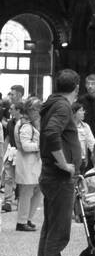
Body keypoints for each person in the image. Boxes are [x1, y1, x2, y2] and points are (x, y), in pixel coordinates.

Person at [36, 70, 83, 256]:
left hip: (50, 176)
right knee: (58, 233)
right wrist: (64, 164)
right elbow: (52, 132)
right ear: (77, 86)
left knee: (49, 231)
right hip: (59, 178)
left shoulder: (52, 103)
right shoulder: (63, 106)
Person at [13, 97, 42, 232]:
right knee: (26, 193)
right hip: (26, 163)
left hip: (33, 163)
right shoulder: (25, 125)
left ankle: (28, 219)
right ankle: (22, 221)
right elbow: (25, 146)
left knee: (37, 191)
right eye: (36, 109)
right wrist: (40, 146)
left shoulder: (30, 123)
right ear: (30, 109)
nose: (38, 111)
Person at [72, 103, 95, 171]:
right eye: (81, 110)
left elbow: (92, 143)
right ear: (74, 113)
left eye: (83, 110)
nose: (83, 112)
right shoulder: (67, 127)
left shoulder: (85, 126)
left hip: (82, 160)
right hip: (69, 160)